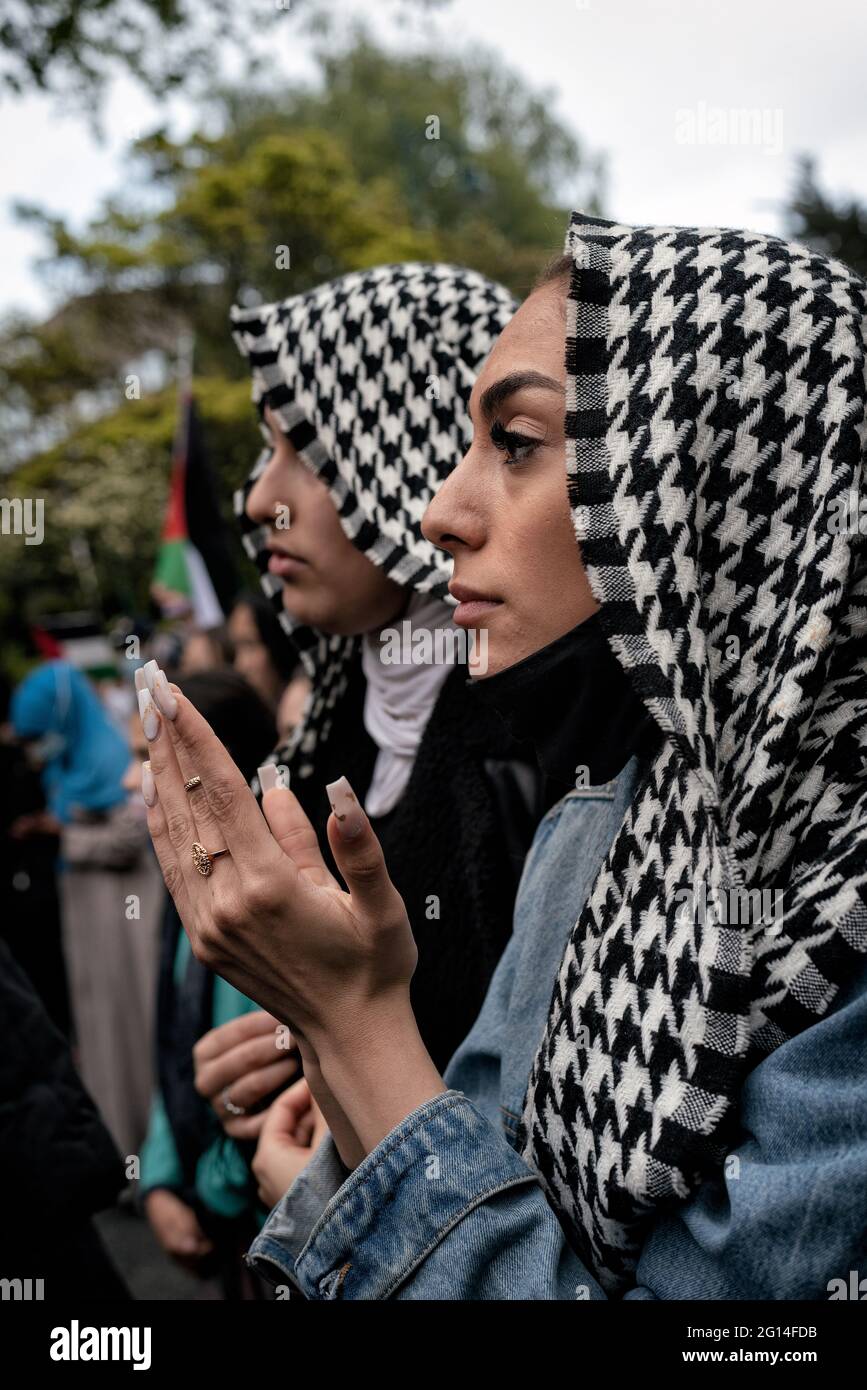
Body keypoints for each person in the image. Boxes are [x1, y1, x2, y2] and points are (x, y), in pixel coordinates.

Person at [138, 211, 867, 1300]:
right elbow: (482, 1145)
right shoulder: (608, 815)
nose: (441, 509)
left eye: (516, 444)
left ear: (710, 478)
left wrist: (351, 1027)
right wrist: (336, 1074)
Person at [218, 262, 542, 1083]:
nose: (259, 500)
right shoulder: (328, 729)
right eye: (266, 449)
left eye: (304, 447)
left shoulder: (544, 747)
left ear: (407, 448)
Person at [136, 668, 289, 1296]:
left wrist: (209, 1195)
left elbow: (267, 1091)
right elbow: (175, 1040)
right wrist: (161, 1179)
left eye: (148, 762)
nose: (132, 784)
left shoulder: (273, 899)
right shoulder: (185, 884)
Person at [11, 660, 162, 1159]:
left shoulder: (115, 754)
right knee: (99, 1030)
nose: (40, 746)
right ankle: (120, 1151)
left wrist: (64, 836)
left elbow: (129, 835)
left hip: (124, 913)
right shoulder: (67, 764)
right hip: (87, 917)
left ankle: (151, 1149)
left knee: (133, 1024)